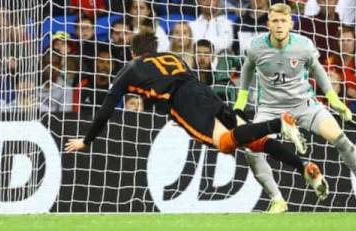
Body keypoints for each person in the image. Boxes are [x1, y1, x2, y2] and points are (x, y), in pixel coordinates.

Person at [65, 29, 328, 200]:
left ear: (134, 52)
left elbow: (105, 110)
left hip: (183, 101)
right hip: (203, 90)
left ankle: (277, 123)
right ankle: (304, 166)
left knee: (225, 144)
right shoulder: (172, 57)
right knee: (250, 140)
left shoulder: (131, 67)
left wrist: (86, 140)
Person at [234, 3, 356, 213]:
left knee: (340, 138)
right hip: (270, 109)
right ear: (268, 24)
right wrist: (240, 103)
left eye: (283, 21)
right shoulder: (256, 46)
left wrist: (333, 99)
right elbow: (247, 70)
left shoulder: (303, 45)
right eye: (275, 21)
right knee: (251, 150)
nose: (279, 25)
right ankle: (277, 199)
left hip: (304, 106)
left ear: (291, 23)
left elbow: (318, 70)